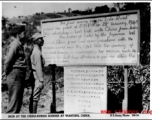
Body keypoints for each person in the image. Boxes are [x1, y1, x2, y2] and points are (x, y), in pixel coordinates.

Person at [4, 25, 26, 113]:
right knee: (14, 102)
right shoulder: (15, 44)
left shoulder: (19, 44)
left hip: (19, 74)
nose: (25, 35)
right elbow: (8, 61)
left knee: (18, 102)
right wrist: (6, 72)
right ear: (18, 34)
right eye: (24, 33)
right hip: (15, 74)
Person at [29, 32, 45, 113]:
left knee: (34, 96)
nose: (42, 40)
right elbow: (38, 67)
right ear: (36, 41)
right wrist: (41, 80)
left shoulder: (36, 50)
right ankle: (33, 115)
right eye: (40, 39)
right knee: (35, 97)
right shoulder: (37, 52)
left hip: (35, 75)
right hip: (37, 76)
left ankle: (32, 114)